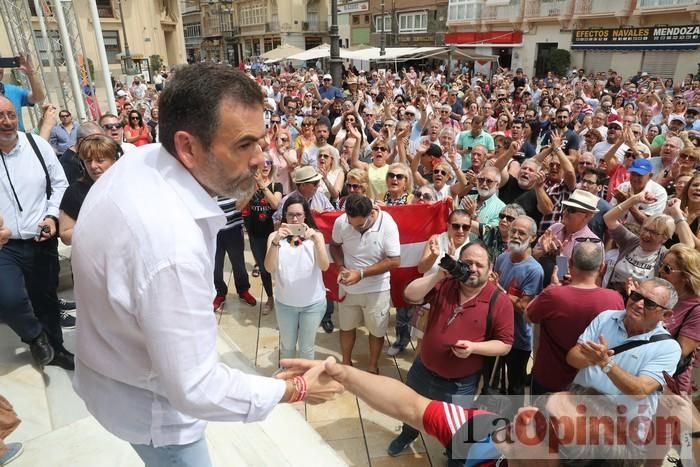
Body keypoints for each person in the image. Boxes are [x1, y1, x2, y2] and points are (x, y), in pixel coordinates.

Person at [70, 64, 343, 466]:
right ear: (188, 147)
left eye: (261, 141)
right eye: (244, 144)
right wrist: (294, 389)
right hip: (157, 418)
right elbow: (196, 387)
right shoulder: (169, 244)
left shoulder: (139, 161)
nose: (260, 159)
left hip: (116, 385)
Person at [386, 241, 514, 458]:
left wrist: (474, 348)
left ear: (490, 269)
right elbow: (410, 295)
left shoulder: (499, 301)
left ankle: (453, 452)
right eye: (467, 263)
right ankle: (408, 434)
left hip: (459, 383)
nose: (473, 268)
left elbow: (505, 344)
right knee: (411, 410)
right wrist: (438, 275)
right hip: (422, 370)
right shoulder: (445, 284)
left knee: (454, 426)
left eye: (479, 264)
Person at [0, 96, 73, 367]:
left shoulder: (37, 145)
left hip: (41, 238)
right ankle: (34, 335)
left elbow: (60, 184)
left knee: (46, 297)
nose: (6, 122)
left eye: (10, 114)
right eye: (0, 116)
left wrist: (52, 216)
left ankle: (57, 348)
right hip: (4, 246)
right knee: (7, 298)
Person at [566, 278, 681, 441]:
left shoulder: (669, 348)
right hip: (577, 416)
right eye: (635, 296)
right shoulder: (606, 318)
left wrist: (605, 363)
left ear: (666, 314)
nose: (638, 304)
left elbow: (640, 391)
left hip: (618, 434)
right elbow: (572, 358)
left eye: (649, 303)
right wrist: (592, 357)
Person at [526, 241, 625, 394]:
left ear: (570, 263)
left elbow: (528, 316)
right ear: (602, 267)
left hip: (549, 377)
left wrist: (551, 288)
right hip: (589, 385)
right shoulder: (615, 299)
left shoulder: (553, 295)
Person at [330, 194, 400, 374]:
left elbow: (394, 261)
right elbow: (334, 245)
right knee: (345, 327)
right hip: (347, 288)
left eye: (359, 225)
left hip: (377, 289)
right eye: (350, 223)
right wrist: (340, 267)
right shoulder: (341, 221)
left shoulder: (388, 224)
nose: (353, 227)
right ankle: (346, 363)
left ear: (371, 213)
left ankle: (372, 366)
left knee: (377, 331)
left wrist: (361, 274)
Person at [264, 194, 328, 359]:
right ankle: (287, 379)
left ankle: (306, 381)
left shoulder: (316, 237)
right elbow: (269, 267)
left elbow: (324, 266)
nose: (294, 219)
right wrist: (277, 240)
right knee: (287, 347)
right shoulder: (274, 237)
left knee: (306, 349)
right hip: (285, 304)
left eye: (298, 215)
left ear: (305, 215)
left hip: (312, 304)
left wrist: (316, 241)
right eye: (290, 214)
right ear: (285, 215)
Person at [492, 216, 543, 409]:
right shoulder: (502, 258)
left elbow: (524, 306)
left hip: (519, 339)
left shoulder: (534, 270)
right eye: (513, 231)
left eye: (522, 233)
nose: (515, 235)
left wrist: (498, 290)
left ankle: (514, 423)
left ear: (532, 238)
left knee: (515, 387)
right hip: (496, 332)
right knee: (491, 381)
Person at [603, 191, 678, 296]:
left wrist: (677, 214)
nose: (646, 235)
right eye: (645, 229)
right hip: (612, 298)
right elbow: (608, 218)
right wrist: (634, 200)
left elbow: (691, 247)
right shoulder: (631, 242)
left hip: (639, 307)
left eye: (653, 233)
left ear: (664, 238)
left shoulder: (665, 256)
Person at [58, 134, 120, 245]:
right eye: (88, 161)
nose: (93, 166)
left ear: (114, 160)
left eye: (100, 160)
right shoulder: (74, 192)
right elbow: (65, 234)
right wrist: (96, 230)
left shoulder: (126, 184)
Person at [242, 154, 282, 313]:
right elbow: (240, 206)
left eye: (269, 163)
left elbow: (275, 203)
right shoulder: (248, 185)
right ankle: (270, 298)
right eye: (262, 163)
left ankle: (283, 297)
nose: (266, 166)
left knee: (279, 267)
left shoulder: (276, 185)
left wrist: (261, 185)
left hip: (273, 233)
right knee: (264, 269)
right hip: (255, 234)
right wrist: (252, 186)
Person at [658, 243, 700, 394]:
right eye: (662, 265)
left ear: (686, 276)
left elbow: (679, 352)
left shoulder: (696, 309)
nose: (661, 271)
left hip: (670, 383)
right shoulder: (666, 293)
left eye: (667, 269)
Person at [0, 54, 45, 131]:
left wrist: (31, 73)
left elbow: (38, 98)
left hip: (18, 140)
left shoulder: (13, 90)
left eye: (1, 64)